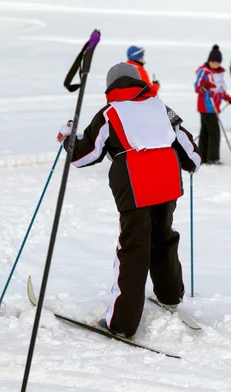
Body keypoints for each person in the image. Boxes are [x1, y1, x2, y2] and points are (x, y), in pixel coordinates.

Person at [57, 62, 201, 338]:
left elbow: (83, 155)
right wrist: (192, 164)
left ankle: (121, 324)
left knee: (133, 248)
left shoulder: (110, 113)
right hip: (168, 181)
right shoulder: (161, 106)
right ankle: (170, 296)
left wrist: (67, 139)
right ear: (140, 83)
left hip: (136, 183)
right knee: (163, 237)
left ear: (111, 87)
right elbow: (187, 146)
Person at [195, 45, 231, 164]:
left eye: (217, 62)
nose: (214, 64)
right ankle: (213, 158)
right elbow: (197, 86)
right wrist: (202, 88)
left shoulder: (220, 74)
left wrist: (228, 98)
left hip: (214, 107)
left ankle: (202, 156)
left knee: (205, 131)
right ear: (209, 61)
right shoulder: (204, 72)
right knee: (214, 132)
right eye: (212, 61)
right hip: (206, 106)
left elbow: (220, 90)